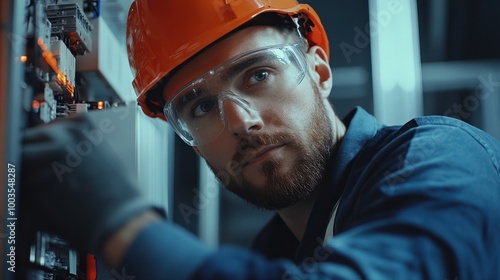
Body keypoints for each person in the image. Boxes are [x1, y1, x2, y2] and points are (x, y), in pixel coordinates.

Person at [21, 0, 500, 279]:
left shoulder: (441, 160)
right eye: (201, 106)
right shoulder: (272, 255)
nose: (239, 122)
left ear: (319, 70)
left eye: (258, 74)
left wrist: (122, 227)